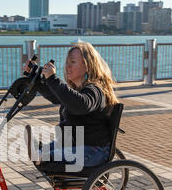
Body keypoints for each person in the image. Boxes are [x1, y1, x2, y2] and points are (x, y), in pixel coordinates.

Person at [23, 41, 119, 172]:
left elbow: (80, 104)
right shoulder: (78, 88)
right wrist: (34, 77)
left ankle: (42, 155)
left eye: (73, 62)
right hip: (77, 145)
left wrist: (52, 79)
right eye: (67, 62)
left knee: (46, 157)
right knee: (45, 150)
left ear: (87, 65)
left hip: (93, 151)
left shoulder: (95, 89)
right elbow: (56, 96)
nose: (67, 66)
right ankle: (41, 152)